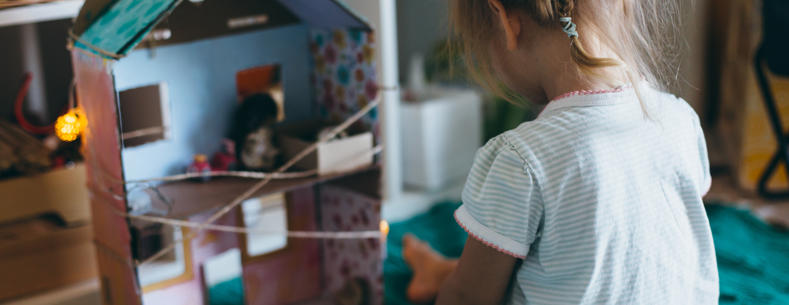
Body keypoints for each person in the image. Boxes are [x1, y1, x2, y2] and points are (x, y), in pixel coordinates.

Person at [402, 0, 718, 304]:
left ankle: (443, 273)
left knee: (480, 278)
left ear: (505, 20)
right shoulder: (680, 119)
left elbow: (469, 298)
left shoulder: (522, 158)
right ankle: (439, 271)